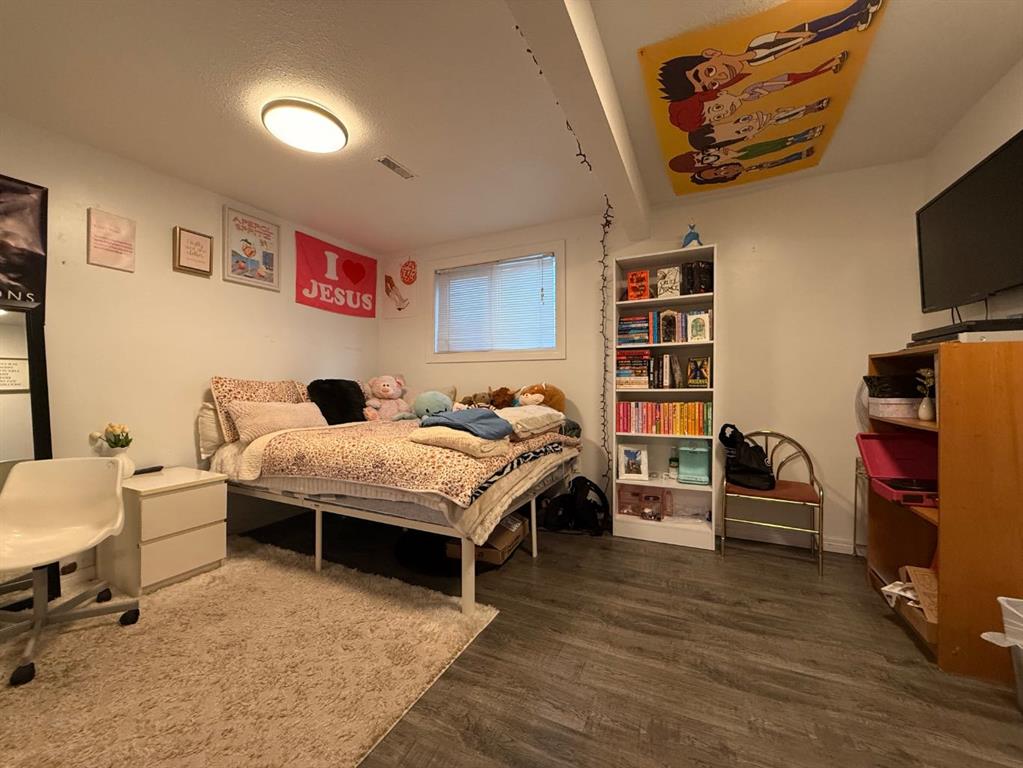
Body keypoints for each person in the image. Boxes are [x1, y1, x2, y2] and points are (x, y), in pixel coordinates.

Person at [656, 0, 882, 102]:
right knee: (832, 31)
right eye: (712, 85)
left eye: (708, 72)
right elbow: (778, 54)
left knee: (830, 20)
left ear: (711, 54)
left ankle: (860, 6)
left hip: (800, 32)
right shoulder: (753, 65)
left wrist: (798, 36)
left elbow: (776, 37)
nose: (720, 77)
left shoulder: (753, 46)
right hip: (797, 44)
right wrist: (797, 45)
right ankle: (858, 19)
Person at [669, 125, 824, 173]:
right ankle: (801, 144)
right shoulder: (738, 163)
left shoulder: (740, 147)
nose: (715, 151)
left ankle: (803, 136)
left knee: (778, 143)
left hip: (747, 151)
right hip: (749, 159)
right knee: (776, 151)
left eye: (705, 152)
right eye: (706, 158)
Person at [690, 146, 816, 185]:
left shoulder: (729, 160)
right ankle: (800, 154)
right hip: (762, 165)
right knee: (781, 160)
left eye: (712, 170)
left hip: (756, 155)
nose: (715, 172)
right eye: (712, 175)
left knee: (778, 148)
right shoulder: (732, 174)